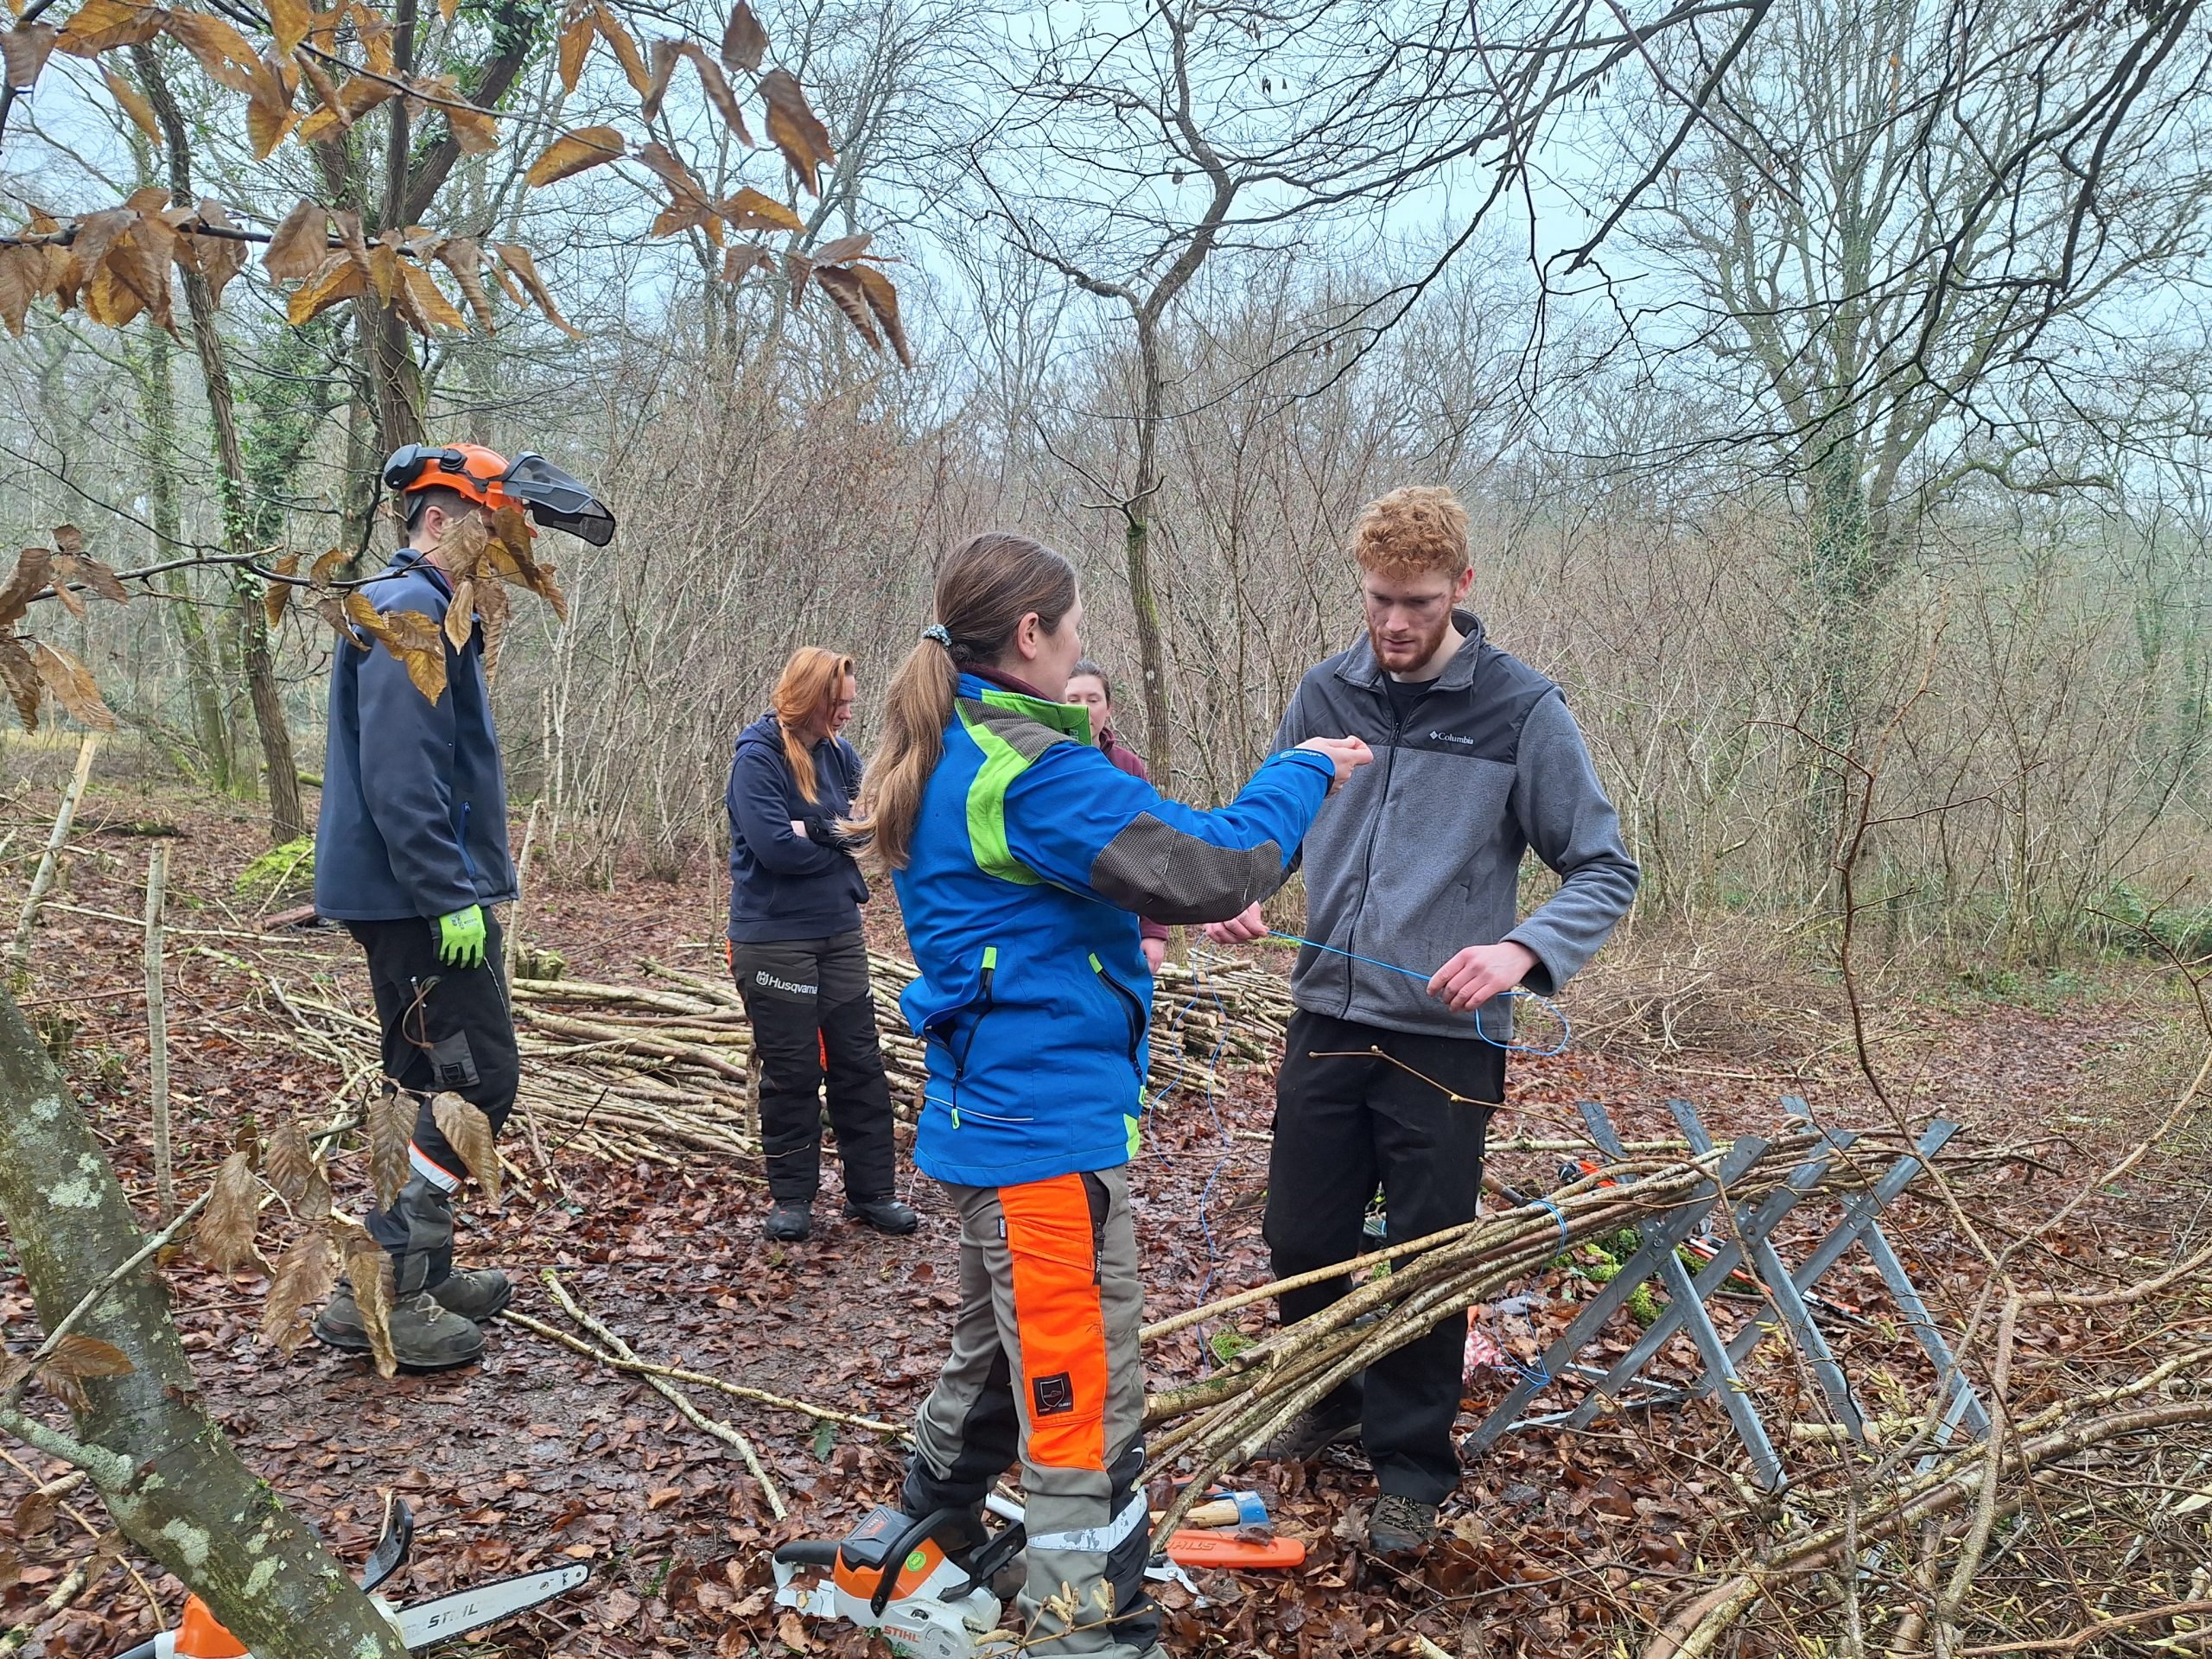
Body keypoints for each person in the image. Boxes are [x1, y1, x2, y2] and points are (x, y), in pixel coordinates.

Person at [849, 532, 1370, 1659]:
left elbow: (1089, 892)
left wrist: (1165, 904)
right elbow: (1215, 859)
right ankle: (1089, 1619)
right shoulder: (1024, 765)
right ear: (1031, 637)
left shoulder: (961, 748)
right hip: (1040, 1128)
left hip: (997, 1109)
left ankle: (914, 1538)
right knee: (1079, 1380)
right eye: (1075, 627)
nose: (1084, 643)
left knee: (999, 1353)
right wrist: (1304, 771)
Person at [1208, 485, 1639, 1554]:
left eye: (1415, 602)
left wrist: (1519, 951)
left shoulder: (1521, 710)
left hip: (1447, 1041)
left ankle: (1410, 1465)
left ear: (1461, 589)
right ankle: (1330, 1390)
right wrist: (1244, 884)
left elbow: (1603, 865)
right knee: (1298, 1236)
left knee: (1425, 1252)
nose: (1393, 624)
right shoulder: (1326, 692)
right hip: (1326, 1012)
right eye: (1377, 601)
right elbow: (1276, 822)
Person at [313, 442, 616, 1370]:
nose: (499, 555)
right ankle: (386, 1296)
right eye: (489, 532)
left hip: (411, 893)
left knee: (423, 1082)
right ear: (437, 520)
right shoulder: (406, 607)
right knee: (476, 1081)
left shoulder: (428, 611)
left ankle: (416, 1272)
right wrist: (450, 892)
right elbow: (403, 776)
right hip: (418, 900)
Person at [726, 646, 917, 1243]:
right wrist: (825, 835)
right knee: (793, 1070)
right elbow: (774, 849)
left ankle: (872, 1194)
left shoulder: (840, 755)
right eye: (840, 705)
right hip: (773, 939)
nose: (847, 716)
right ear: (813, 701)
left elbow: (867, 826)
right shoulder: (756, 760)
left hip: (838, 930)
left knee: (859, 1064)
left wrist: (815, 829)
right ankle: (791, 1199)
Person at [1065, 660, 1170, 974]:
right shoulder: (1039, 761)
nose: (1083, 710)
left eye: (1093, 700)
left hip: (1117, 923)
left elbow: (1150, 846)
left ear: (1108, 707)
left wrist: (1153, 931)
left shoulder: (1128, 768)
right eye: (1073, 700)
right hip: (1055, 923)